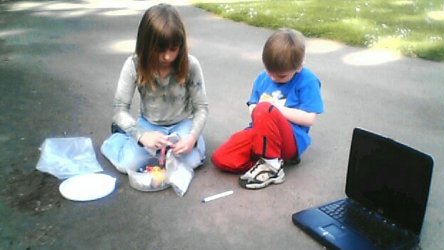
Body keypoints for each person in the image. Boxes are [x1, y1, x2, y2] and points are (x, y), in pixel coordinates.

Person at [101, 4, 208, 174]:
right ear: (146, 45)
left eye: (173, 49)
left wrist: (192, 137)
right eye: (160, 50)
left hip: (181, 125)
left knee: (193, 161)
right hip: (149, 124)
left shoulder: (191, 65)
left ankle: (189, 144)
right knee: (128, 165)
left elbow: (201, 108)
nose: (167, 56)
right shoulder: (133, 65)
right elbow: (119, 110)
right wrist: (141, 135)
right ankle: (119, 137)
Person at [211, 28, 323, 189]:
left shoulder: (308, 80)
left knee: (265, 108)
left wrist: (274, 108)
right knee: (221, 158)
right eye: (269, 71)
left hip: (290, 139)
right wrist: (259, 110)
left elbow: (309, 119)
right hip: (261, 132)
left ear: (299, 67)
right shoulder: (263, 78)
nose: (273, 77)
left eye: (281, 75)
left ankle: (273, 168)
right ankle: (268, 158)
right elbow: (253, 106)